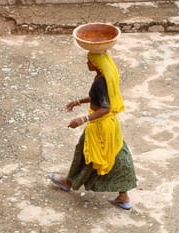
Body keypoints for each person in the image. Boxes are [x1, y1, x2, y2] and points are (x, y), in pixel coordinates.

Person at [47, 51, 137, 209]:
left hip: (100, 127)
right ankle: (123, 195)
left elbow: (105, 107)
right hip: (110, 127)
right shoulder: (106, 77)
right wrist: (79, 101)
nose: (87, 64)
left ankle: (68, 182)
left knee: (87, 153)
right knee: (116, 154)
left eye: (89, 61)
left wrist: (81, 119)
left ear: (97, 64)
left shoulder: (100, 82)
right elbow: (100, 97)